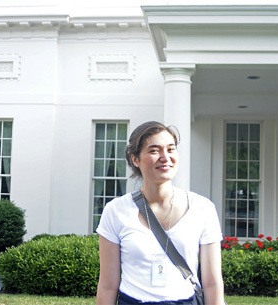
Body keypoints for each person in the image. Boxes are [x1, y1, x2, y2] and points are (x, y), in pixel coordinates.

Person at [96, 121, 225, 305]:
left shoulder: (203, 208)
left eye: (171, 149)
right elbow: (108, 286)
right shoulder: (116, 211)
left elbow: (212, 283)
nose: (165, 157)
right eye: (154, 150)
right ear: (135, 159)